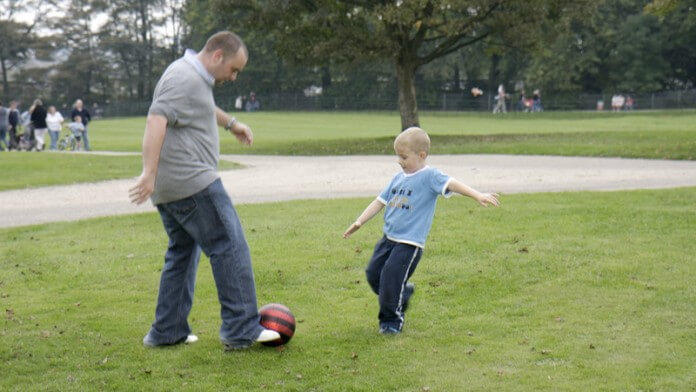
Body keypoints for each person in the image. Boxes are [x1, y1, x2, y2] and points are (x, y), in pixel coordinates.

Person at [128, 31, 281, 349]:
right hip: (191, 181)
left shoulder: (191, 77)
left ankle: (167, 331)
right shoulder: (183, 77)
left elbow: (198, 108)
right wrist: (148, 173)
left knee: (182, 252)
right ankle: (242, 329)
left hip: (176, 187)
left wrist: (231, 123)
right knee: (229, 245)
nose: (234, 77)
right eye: (234, 69)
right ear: (217, 56)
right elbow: (156, 120)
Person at [343, 127, 500, 334]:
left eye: (404, 157)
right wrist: (359, 221)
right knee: (373, 274)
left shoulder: (430, 176)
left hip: (409, 243)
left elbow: (452, 183)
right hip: (388, 239)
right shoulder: (398, 178)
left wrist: (477, 194)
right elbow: (379, 201)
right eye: (398, 156)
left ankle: (391, 322)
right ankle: (402, 294)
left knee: (391, 277)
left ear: (421, 155)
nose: (400, 161)